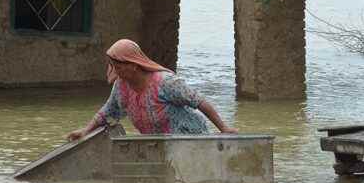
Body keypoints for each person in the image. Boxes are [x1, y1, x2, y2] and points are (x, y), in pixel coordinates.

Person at [67, 39, 237, 141]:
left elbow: (200, 102)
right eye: (113, 67)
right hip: (157, 144)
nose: (115, 72)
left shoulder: (165, 83)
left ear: (133, 65)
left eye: (118, 67)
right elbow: (108, 111)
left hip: (189, 138)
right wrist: (85, 131)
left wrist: (224, 129)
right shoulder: (121, 86)